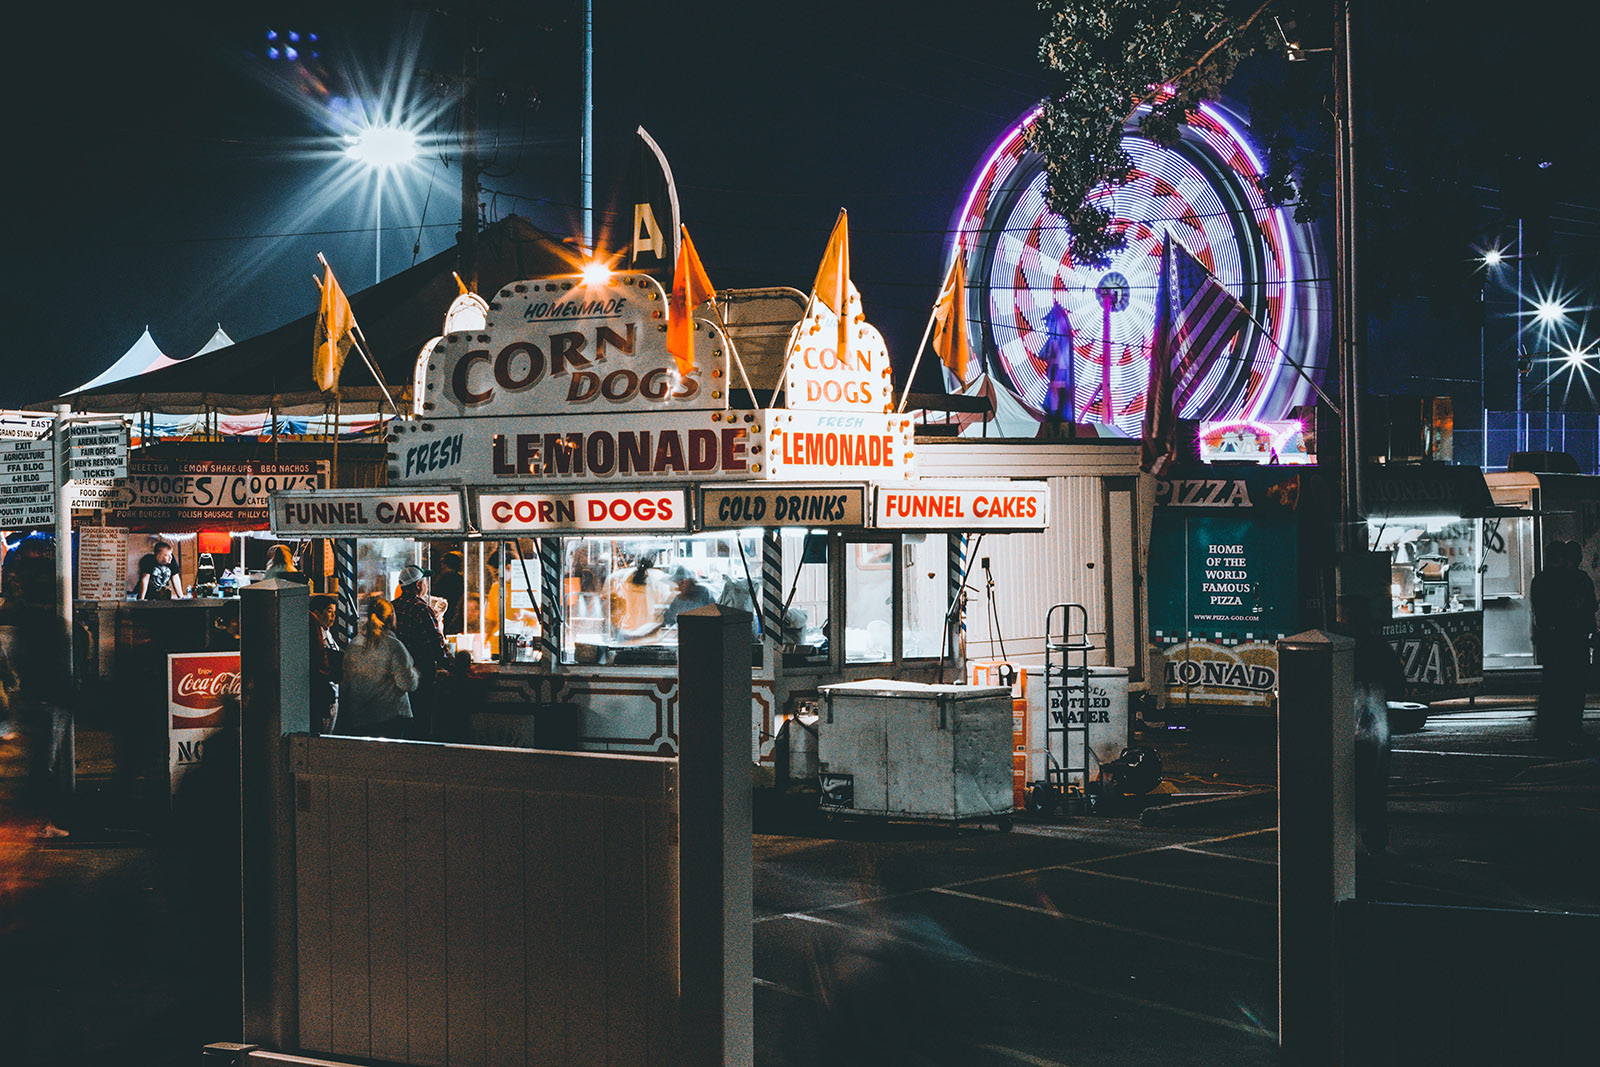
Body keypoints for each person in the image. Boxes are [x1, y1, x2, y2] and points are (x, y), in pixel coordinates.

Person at [1336, 595, 1404, 855]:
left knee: (1347, 781)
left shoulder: (1341, 648)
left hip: (1350, 721)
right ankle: (1375, 835)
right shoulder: (1378, 647)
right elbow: (1398, 684)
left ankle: (1352, 835)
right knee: (1374, 781)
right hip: (1374, 724)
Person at [1530, 539, 1596, 749]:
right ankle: (1567, 730)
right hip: (1570, 639)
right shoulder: (1574, 579)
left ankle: (1553, 732)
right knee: (1570, 688)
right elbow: (1585, 609)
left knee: (1557, 687)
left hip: (1557, 640)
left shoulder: (1544, 580)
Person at [337, 598, 418, 738]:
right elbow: (407, 683)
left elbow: (346, 683)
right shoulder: (394, 646)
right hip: (391, 719)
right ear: (392, 617)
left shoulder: (354, 645)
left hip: (360, 719)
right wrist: (416, 674)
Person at [393, 564, 447, 738]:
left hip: (396, 673)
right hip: (421, 673)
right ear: (418, 585)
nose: (426, 585)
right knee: (421, 719)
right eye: (424, 582)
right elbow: (435, 642)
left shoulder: (391, 606)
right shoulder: (422, 609)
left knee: (402, 719)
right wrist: (449, 663)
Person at [309, 594, 341, 734]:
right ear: (316, 613)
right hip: (325, 691)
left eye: (334, 613)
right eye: (329, 611)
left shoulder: (328, 633)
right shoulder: (315, 636)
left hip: (334, 690)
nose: (333, 616)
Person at [432, 550, 466, 634]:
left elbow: (436, 593)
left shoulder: (446, 578)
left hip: (446, 609)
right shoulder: (460, 578)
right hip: (455, 608)